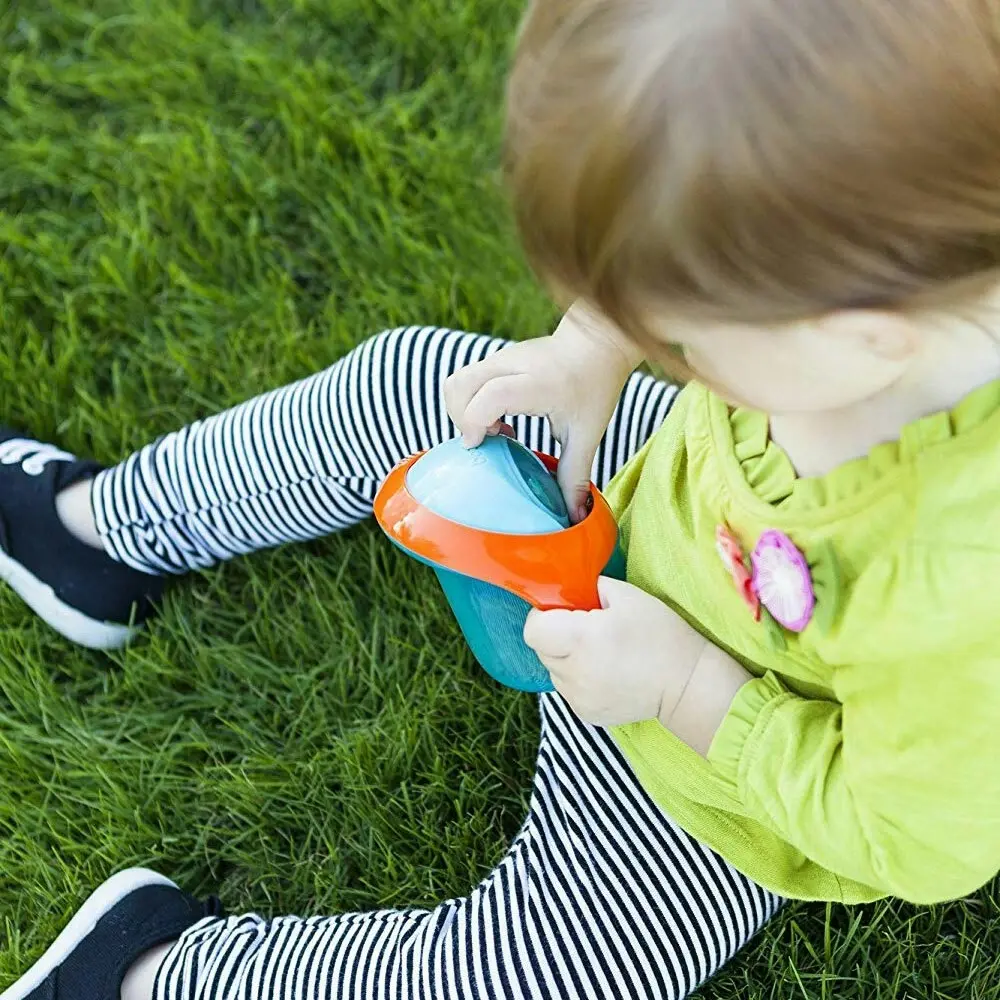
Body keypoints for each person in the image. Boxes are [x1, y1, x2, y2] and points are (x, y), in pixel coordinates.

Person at [5, 0, 1000, 998]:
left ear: (865, 330)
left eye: (683, 338)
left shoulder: (960, 593)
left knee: (549, 971)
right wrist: (587, 354)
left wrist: (684, 690)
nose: (660, 342)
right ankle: (97, 534)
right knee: (405, 382)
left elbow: (909, 835)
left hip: (708, 766)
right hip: (641, 505)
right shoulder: (867, 266)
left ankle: (146, 972)